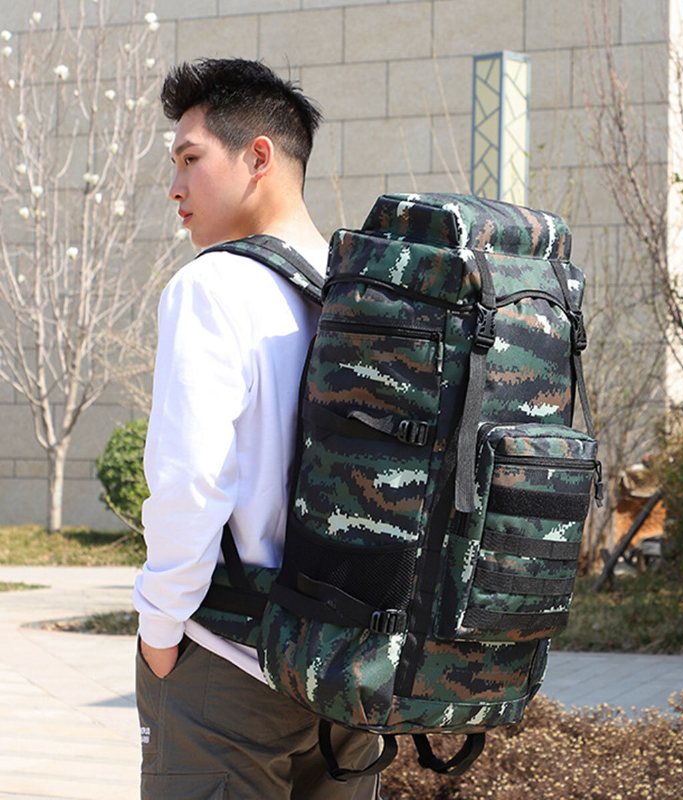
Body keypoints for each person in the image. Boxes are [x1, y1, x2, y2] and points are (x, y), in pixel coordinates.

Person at [133, 58, 380, 799]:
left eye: (190, 159)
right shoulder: (362, 292)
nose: (175, 187)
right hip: (350, 664)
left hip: (232, 660)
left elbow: (191, 481)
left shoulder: (213, 285)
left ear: (258, 157)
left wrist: (160, 631)